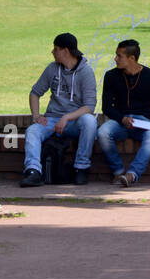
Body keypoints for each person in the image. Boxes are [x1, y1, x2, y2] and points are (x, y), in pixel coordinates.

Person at [19, 33, 99, 187]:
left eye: (56, 49)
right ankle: (33, 171)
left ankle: (81, 168)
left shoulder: (86, 72)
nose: (52, 52)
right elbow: (35, 93)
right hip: (52, 119)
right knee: (33, 131)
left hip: (74, 121)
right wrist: (36, 116)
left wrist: (67, 117)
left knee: (89, 121)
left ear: (66, 51)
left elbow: (89, 107)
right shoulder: (52, 69)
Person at [98, 39, 150, 186]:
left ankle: (132, 175)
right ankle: (119, 172)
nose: (115, 59)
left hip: (142, 121)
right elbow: (106, 107)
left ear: (132, 58)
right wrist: (122, 119)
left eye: (119, 56)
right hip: (119, 121)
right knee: (102, 132)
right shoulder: (111, 76)